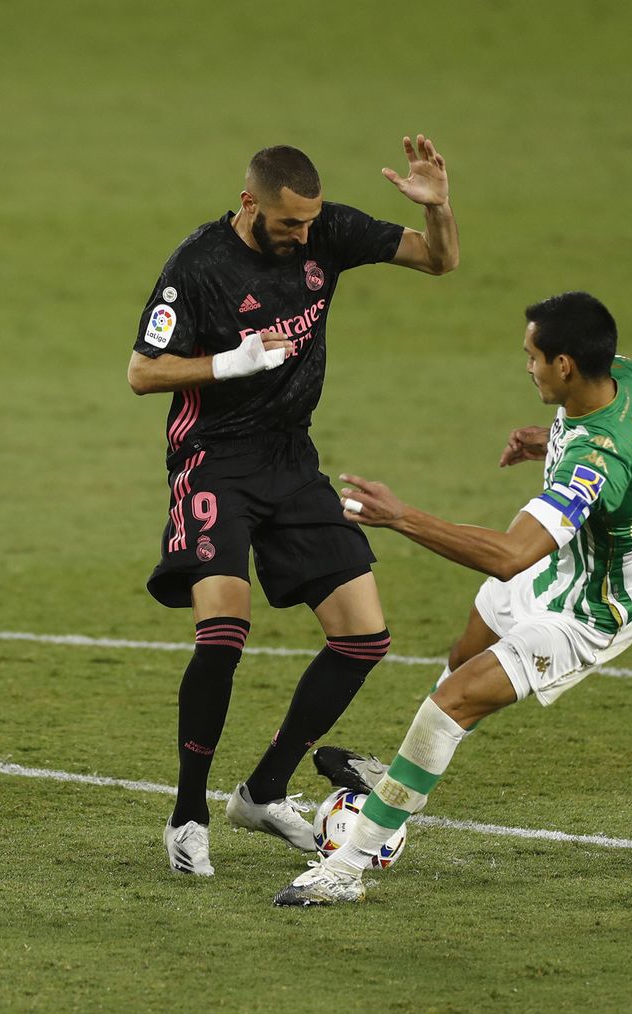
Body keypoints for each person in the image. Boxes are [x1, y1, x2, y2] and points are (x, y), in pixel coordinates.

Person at [273, 291, 632, 905]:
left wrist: (401, 517)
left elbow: (507, 554)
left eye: (532, 356)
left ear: (565, 365)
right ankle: (401, 775)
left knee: (454, 701)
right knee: (466, 647)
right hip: (554, 572)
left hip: (589, 612)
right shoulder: (630, 377)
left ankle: (349, 867)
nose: (524, 365)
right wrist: (552, 448)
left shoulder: (594, 463)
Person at [127, 138, 460, 876]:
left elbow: (439, 261)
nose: (304, 237)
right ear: (251, 203)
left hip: (291, 459)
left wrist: (439, 212)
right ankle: (187, 816)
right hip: (213, 458)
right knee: (223, 633)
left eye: (309, 224)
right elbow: (142, 372)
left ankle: (264, 790)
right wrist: (231, 362)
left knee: (364, 638)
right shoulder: (199, 266)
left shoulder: (327, 229)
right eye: (288, 224)